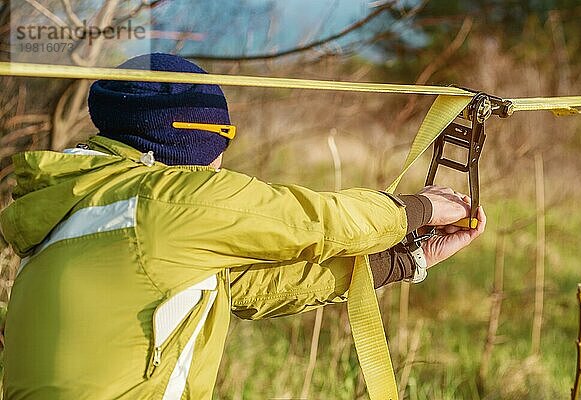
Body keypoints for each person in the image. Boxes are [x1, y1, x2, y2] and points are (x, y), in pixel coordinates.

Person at [0, 53, 485, 400]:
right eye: (223, 137)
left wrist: (405, 260)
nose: (224, 156)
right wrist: (418, 208)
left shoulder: (87, 204)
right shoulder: (165, 201)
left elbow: (250, 288)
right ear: (192, 140)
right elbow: (313, 220)